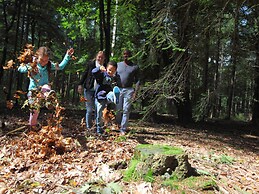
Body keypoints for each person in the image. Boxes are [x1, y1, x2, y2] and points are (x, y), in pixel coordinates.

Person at [18, 46, 74, 128]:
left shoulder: (49, 65)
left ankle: (48, 98)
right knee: (35, 112)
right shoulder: (33, 64)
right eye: (41, 60)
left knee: (46, 86)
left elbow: (60, 67)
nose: (44, 62)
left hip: (44, 90)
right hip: (33, 92)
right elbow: (20, 69)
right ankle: (32, 127)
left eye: (46, 60)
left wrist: (67, 56)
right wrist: (29, 66)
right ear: (37, 57)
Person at [78, 51, 105, 130]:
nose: (100, 59)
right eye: (99, 57)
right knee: (89, 110)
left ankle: (98, 127)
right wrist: (80, 84)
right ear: (96, 57)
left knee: (98, 110)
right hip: (89, 89)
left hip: (99, 92)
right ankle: (89, 127)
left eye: (102, 57)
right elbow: (85, 74)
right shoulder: (91, 64)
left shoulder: (105, 67)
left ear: (104, 58)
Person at [92, 61, 121, 135]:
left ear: (115, 71)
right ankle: (99, 130)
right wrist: (99, 68)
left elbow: (119, 83)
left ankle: (114, 97)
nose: (111, 72)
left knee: (111, 94)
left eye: (113, 71)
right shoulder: (102, 75)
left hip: (108, 95)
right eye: (110, 70)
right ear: (106, 68)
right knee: (99, 114)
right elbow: (93, 72)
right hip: (100, 96)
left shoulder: (115, 77)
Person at [116, 50, 140, 135]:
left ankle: (123, 129)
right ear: (122, 55)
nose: (126, 56)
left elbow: (137, 80)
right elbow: (112, 76)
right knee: (118, 109)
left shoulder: (134, 67)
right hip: (118, 89)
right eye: (124, 54)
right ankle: (117, 125)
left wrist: (135, 92)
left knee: (126, 109)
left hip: (129, 90)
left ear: (130, 56)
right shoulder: (118, 65)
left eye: (128, 55)